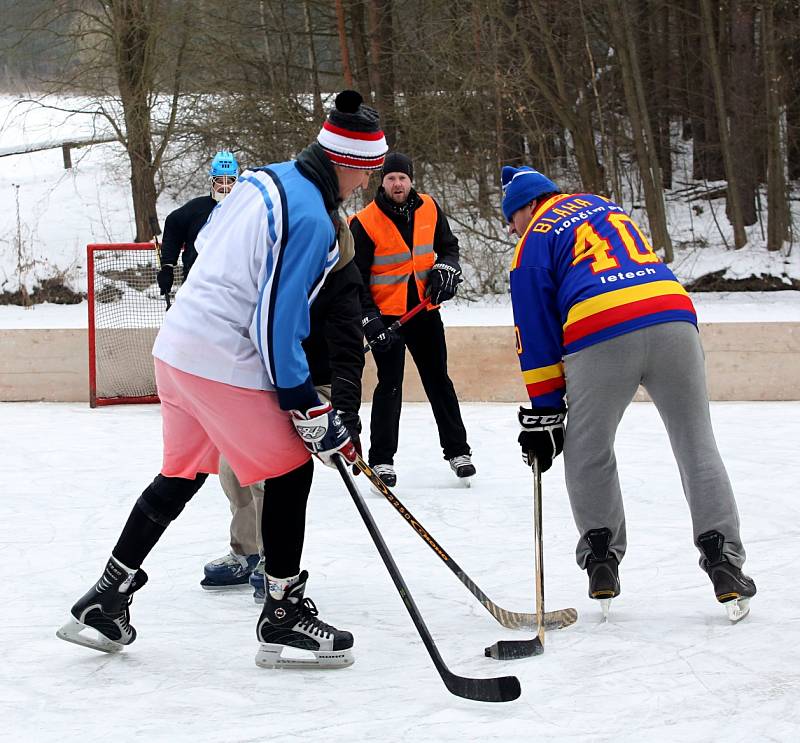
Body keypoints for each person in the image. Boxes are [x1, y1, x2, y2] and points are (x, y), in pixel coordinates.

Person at [57, 91, 388, 669]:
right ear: (352, 163)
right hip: (218, 357)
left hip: (177, 345)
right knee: (292, 467)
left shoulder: (267, 177)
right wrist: (306, 406)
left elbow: (207, 245)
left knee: (181, 473)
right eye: (368, 170)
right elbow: (276, 318)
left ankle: (105, 597)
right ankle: (283, 614)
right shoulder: (311, 216)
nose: (366, 182)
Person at [501, 165, 756, 622]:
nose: (511, 229)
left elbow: (536, 335)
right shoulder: (604, 207)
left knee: (587, 449)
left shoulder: (532, 241)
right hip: (672, 314)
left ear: (524, 207)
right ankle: (724, 563)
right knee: (697, 444)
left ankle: (601, 557)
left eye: (510, 219)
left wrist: (547, 415)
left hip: (599, 330)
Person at [202, 245, 366, 599]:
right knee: (231, 467)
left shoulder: (341, 275)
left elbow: (349, 352)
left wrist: (347, 418)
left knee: (268, 464)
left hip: (313, 383)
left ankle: (272, 560)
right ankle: (245, 551)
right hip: (264, 379)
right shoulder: (271, 260)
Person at [349, 152, 475, 487]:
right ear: (382, 181)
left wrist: (446, 270)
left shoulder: (430, 208)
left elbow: (449, 248)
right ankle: (382, 460)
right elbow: (355, 279)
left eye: (402, 178)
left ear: (411, 179)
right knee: (389, 385)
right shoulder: (364, 221)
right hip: (386, 319)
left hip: (424, 312)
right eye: (391, 178)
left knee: (438, 380)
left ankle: (458, 451)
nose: (397, 184)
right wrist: (369, 319)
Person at [156, 150, 239, 299]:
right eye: (220, 180)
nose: (224, 186)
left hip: (233, 287)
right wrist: (167, 266)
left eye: (230, 180)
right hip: (195, 286)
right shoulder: (196, 208)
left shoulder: (245, 209)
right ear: (212, 180)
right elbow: (173, 225)